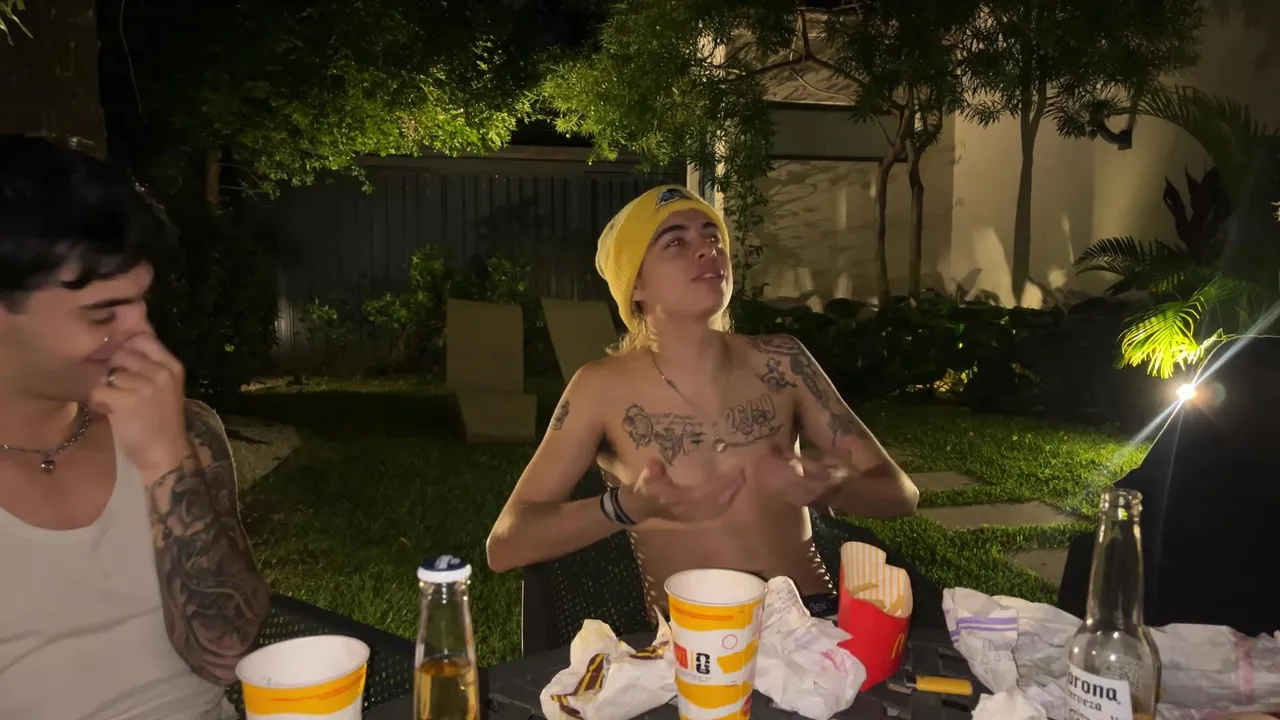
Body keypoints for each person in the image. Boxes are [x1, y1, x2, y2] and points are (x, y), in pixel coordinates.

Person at [487, 184, 919, 613]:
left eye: (713, 236)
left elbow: (901, 494)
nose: (707, 249)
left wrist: (834, 487)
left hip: (814, 617)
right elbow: (505, 544)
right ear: (636, 285)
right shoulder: (600, 389)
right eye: (675, 242)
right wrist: (629, 505)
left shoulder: (783, 362)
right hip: (692, 636)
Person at [0, 135, 271, 719]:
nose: (142, 337)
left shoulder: (183, 428)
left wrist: (166, 462)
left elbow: (227, 653)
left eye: (141, 302)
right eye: (103, 313)